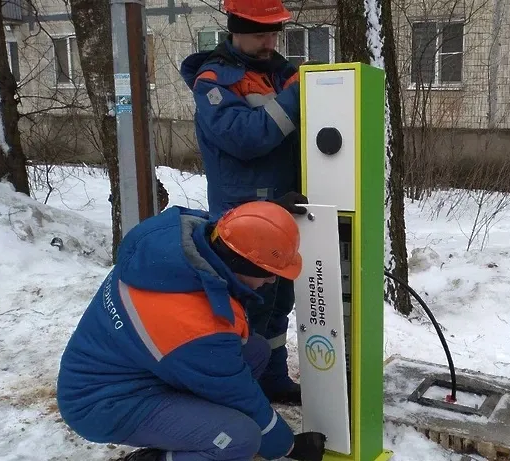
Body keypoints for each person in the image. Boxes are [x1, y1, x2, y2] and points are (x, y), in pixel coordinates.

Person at [56, 195, 327, 461]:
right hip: (102, 404)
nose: (271, 279)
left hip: (135, 367)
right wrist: (287, 446)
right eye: (269, 271)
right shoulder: (196, 324)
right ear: (242, 264)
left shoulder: (179, 242)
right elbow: (238, 394)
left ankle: (193, 423)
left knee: (254, 351)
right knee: (239, 439)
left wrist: (266, 220)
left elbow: (227, 226)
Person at [179, 0, 304, 405]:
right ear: (236, 30)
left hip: (286, 210)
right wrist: (300, 96)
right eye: (261, 34)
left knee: (277, 305)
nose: (270, 42)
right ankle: (237, 390)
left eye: (274, 32)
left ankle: (272, 378)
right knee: (247, 310)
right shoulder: (214, 81)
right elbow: (245, 138)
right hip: (242, 220)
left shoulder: (282, 75)